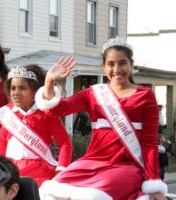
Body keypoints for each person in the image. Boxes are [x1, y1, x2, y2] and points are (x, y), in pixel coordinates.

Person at [36, 37, 167, 199]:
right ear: (104, 67)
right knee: (51, 191)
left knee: (92, 197)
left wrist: (153, 183)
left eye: (122, 63)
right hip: (92, 162)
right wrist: (49, 80)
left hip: (127, 166)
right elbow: (56, 109)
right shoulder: (93, 93)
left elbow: (150, 144)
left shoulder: (145, 96)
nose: (117, 69)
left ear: (131, 64)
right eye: (111, 64)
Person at [0, 65, 72, 187]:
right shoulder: (9, 113)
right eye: (13, 88)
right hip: (10, 169)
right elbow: (3, 142)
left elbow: (64, 143)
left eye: (22, 88)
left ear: (35, 91)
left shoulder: (47, 113)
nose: (16, 93)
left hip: (39, 171)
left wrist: (61, 169)